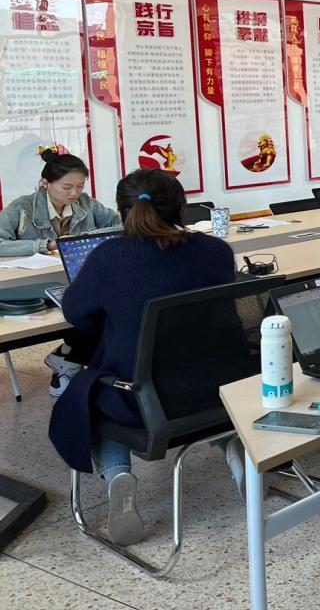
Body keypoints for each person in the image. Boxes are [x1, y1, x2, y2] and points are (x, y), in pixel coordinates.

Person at [48, 169, 243, 546]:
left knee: (90, 392)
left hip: (145, 400)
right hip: (222, 389)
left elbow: (77, 314)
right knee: (175, 373)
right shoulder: (215, 251)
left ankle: (118, 475)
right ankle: (232, 446)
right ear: (182, 208)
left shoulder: (109, 257)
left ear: (122, 212)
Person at [0, 149, 122, 395]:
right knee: (92, 310)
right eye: (67, 187)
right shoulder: (22, 208)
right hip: (32, 286)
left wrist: (81, 239)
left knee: (109, 308)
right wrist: (44, 245)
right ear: (45, 183)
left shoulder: (86, 203)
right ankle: (69, 359)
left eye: (80, 186)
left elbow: (120, 224)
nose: (75, 193)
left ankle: (68, 358)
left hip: (76, 280)